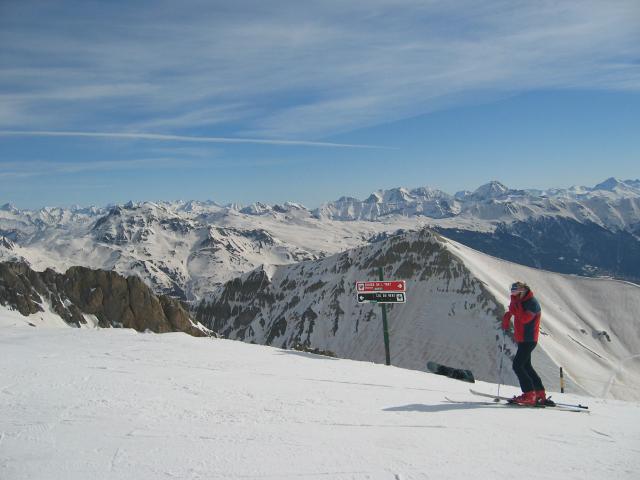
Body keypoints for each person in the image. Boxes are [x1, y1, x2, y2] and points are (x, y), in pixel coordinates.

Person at [501, 281, 554, 406]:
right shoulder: (519, 301)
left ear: (523, 291)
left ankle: (529, 394)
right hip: (522, 339)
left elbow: (525, 319)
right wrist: (508, 316)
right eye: (512, 291)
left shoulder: (532, 303)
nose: (513, 294)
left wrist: (516, 307)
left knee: (517, 366)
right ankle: (539, 394)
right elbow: (514, 310)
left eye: (515, 291)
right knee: (526, 366)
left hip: (529, 339)